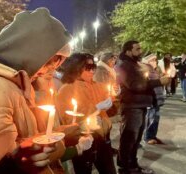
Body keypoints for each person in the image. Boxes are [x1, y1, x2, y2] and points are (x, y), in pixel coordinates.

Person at [0, 8, 72, 174]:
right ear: (32, 50)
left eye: (59, 62)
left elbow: (18, 144)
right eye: (52, 60)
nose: (51, 69)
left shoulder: (12, 84)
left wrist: (56, 138)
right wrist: (19, 163)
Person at [56, 53, 117, 174]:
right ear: (76, 68)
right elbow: (68, 118)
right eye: (88, 67)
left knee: (109, 170)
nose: (93, 71)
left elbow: (111, 110)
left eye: (93, 66)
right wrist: (96, 108)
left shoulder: (98, 86)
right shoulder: (67, 89)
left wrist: (114, 99)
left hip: (103, 137)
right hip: (83, 138)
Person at [115, 40, 170, 174]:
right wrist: (158, 82)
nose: (140, 51)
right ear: (128, 51)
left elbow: (142, 81)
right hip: (132, 106)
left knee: (136, 138)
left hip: (139, 104)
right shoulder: (124, 65)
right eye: (137, 49)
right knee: (130, 138)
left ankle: (132, 164)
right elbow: (135, 85)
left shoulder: (133, 63)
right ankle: (127, 168)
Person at [142, 54, 165, 145]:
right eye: (153, 60)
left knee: (156, 118)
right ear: (148, 60)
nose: (155, 61)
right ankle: (147, 137)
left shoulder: (154, 69)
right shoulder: (145, 69)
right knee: (150, 118)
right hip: (150, 98)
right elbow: (146, 84)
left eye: (156, 60)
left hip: (156, 97)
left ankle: (153, 135)